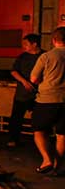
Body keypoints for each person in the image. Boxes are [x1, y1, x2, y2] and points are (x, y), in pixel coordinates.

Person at [30, 27, 65, 175]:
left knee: (39, 131)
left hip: (47, 99)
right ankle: (58, 167)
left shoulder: (47, 56)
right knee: (62, 134)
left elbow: (34, 78)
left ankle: (46, 160)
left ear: (54, 40)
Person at [8, 34, 44, 147]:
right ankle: (13, 139)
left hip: (39, 94)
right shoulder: (22, 57)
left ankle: (40, 141)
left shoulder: (44, 56)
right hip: (22, 93)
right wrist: (24, 82)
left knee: (40, 119)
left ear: (34, 44)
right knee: (16, 117)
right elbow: (14, 71)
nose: (24, 46)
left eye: (26, 44)